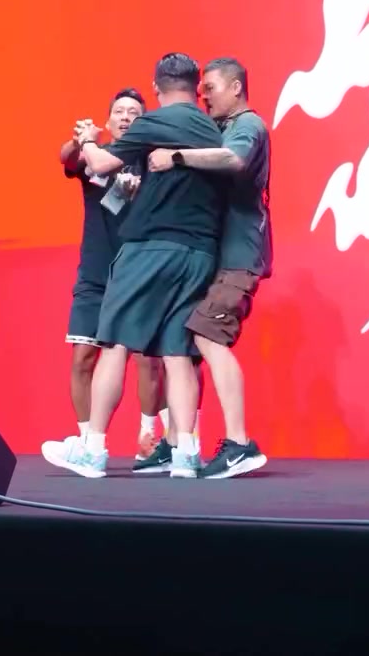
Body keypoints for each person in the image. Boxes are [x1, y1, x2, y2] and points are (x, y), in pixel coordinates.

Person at [68, 53, 225, 479]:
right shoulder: (211, 128)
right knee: (178, 354)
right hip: (200, 253)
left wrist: (88, 139)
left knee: (115, 342)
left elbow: (99, 164)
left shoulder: (153, 123)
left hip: (151, 248)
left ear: (156, 88)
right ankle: (185, 453)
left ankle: (93, 450)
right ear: (197, 88)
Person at [148, 57, 270, 478]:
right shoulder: (217, 128)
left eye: (211, 88)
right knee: (183, 343)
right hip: (213, 257)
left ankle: (239, 443)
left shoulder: (248, 126)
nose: (204, 97)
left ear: (236, 88)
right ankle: (176, 442)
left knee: (207, 334)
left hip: (239, 258)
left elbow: (233, 160)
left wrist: (176, 157)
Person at [41, 88, 169, 474]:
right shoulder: (94, 155)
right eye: (119, 112)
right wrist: (80, 138)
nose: (126, 117)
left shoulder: (153, 161)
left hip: (139, 274)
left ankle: (149, 440)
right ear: (109, 120)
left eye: (134, 112)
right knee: (83, 358)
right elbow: (67, 158)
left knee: (148, 360)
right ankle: (87, 442)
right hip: (95, 274)